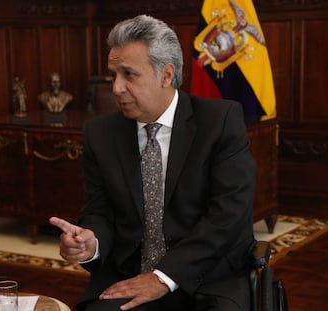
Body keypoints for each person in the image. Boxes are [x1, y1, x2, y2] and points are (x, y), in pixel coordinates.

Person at [50, 14, 256, 311]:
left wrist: (163, 277)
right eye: (113, 75)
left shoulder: (220, 121)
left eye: (129, 74)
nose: (117, 87)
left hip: (207, 276)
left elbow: (228, 216)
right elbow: (99, 211)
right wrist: (89, 242)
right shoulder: (100, 133)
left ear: (166, 75)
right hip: (130, 274)